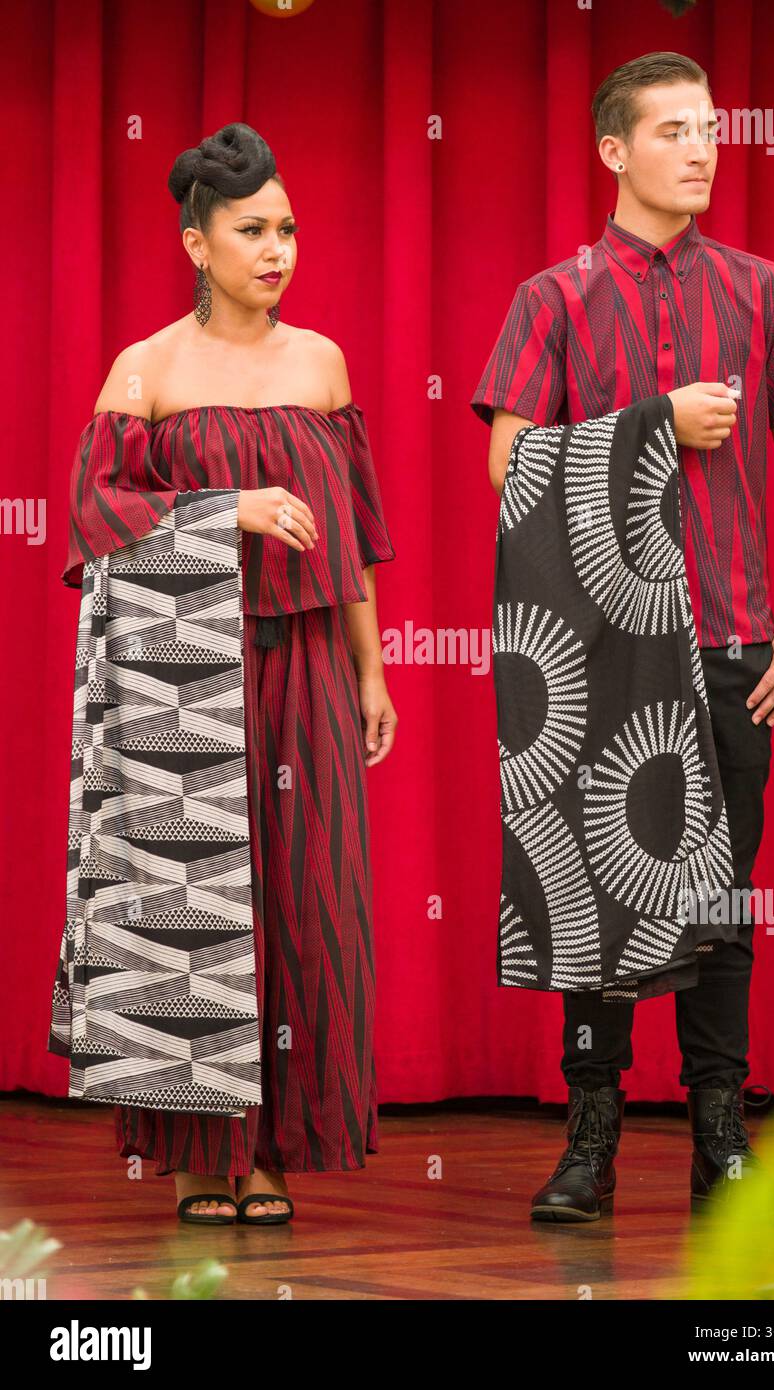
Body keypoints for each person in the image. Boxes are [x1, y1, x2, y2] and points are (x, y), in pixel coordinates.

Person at [471, 53, 774, 1220]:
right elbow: (507, 463)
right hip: (603, 647)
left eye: (711, 128)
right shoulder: (556, 297)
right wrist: (653, 425)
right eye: (673, 130)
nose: (702, 149)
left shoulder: (765, 288)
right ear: (614, 152)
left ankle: (722, 1135)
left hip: (732, 636)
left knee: (720, 902)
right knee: (599, 903)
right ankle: (592, 1138)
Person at [48, 122, 398, 1225]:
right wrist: (225, 510)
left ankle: (274, 1155)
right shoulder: (146, 368)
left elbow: (351, 537)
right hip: (179, 675)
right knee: (193, 906)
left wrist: (372, 669)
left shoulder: (322, 363)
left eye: (288, 228)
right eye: (252, 231)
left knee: (307, 902)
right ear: (196, 241)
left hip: (306, 664)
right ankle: (201, 1153)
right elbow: (95, 517)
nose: (278, 248)